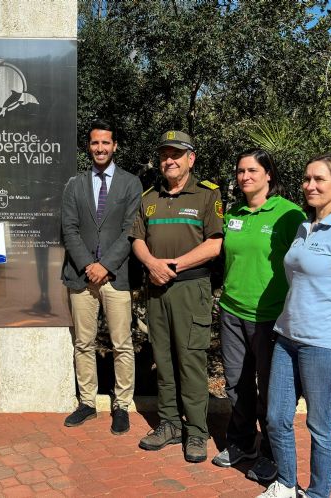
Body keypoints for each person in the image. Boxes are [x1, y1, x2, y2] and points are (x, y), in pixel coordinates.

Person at [258, 154, 331, 498]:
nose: (309, 185)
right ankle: (286, 483)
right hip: (288, 337)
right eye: (306, 179)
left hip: (327, 344)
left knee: (320, 426)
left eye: (319, 179)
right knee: (277, 418)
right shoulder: (304, 226)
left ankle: (317, 494)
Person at [212, 150, 305, 482]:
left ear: (269, 175)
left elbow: (305, 265)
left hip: (269, 318)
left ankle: (270, 453)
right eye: (240, 171)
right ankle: (242, 443)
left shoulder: (289, 215)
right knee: (236, 384)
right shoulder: (233, 213)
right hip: (232, 312)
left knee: (270, 389)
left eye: (253, 170)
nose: (245, 176)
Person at [131, 130, 223, 463]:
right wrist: (152, 264)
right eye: (165, 155)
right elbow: (137, 239)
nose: (169, 160)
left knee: (191, 361)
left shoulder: (207, 195)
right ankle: (169, 425)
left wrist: (173, 265)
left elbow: (215, 244)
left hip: (190, 288)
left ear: (190, 159)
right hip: (157, 289)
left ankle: (197, 431)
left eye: (177, 154)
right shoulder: (149, 197)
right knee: (164, 360)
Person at [61, 119, 142, 435]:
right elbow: (68, 228)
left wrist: (105, 265)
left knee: (122, 343)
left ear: (115, 146)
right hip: (81, 277)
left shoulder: (130, 183)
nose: (100, 148)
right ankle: (87, 402)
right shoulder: (75, 185)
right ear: (88, 146)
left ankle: (121, 405)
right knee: (83, 342)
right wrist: (86, 265)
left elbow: (130, 230)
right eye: (95, 143)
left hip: (116, 276)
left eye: (105, 143)